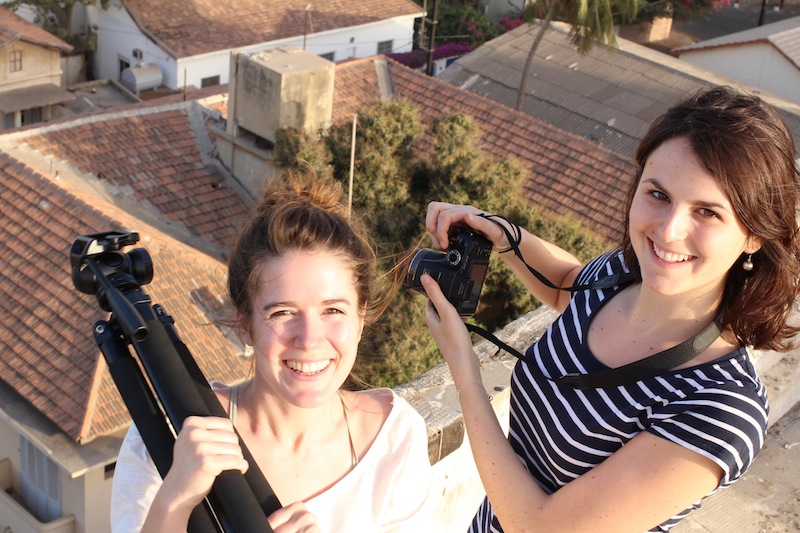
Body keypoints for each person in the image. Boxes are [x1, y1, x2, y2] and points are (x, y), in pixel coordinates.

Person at [419, 86, 800, 532]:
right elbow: (568, 287)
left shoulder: (720, 408)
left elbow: (540, 527)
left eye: (707, 213)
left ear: (754, 235)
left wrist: (464, 371)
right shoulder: (620, 275)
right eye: (658, 195)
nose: (670, 230)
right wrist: (506, 237)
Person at [111, 171, 432, 532]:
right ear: (246, 324)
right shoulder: (171, 433)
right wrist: (175, 500)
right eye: (282, 313)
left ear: (360, 319)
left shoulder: (394, 439)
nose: (309, 339)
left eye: (333, 310)